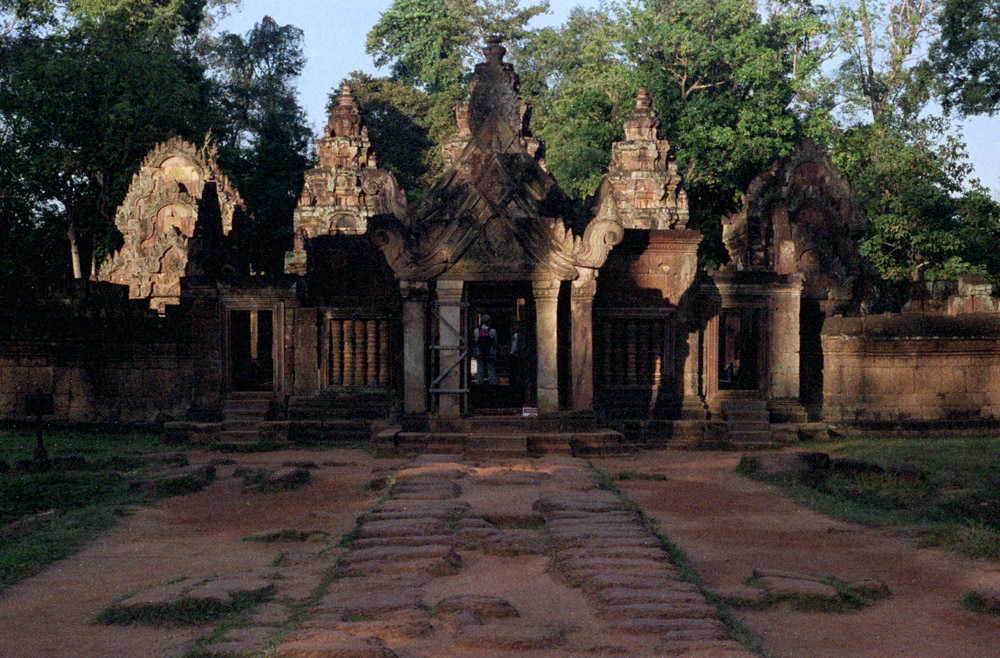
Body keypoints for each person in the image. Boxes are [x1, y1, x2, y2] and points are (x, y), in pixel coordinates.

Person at [475, 314, 497, 385]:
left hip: (479, 352)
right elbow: (495, 342)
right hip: (490, 352)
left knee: (480, 368)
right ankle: (492, 383)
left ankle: (480, 382)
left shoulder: (477, 330)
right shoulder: (492, 331)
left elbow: (476, 341)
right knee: (491, 368)